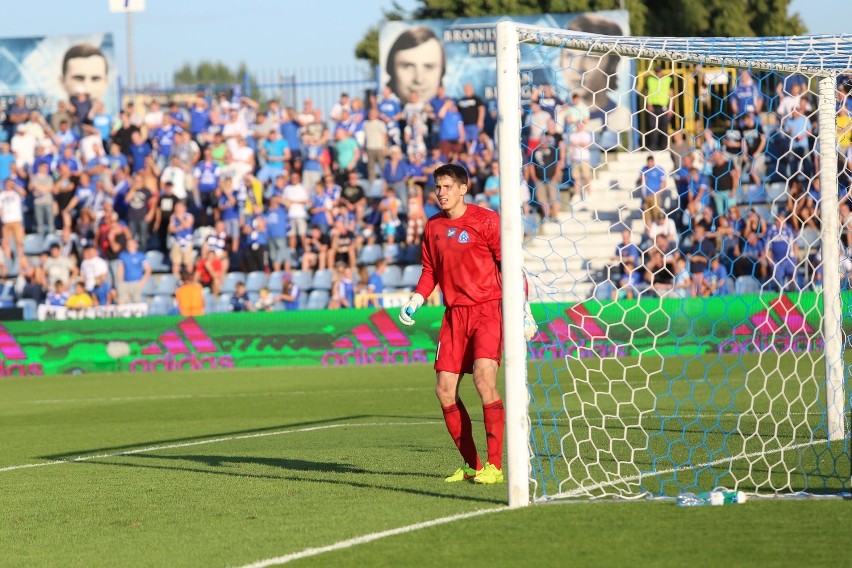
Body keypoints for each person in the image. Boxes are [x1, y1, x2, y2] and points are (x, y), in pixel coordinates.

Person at [398, 163, 536, 485]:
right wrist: (417, 298)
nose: (441, 193)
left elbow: (512, 266)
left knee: (484, 379)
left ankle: (496, 467)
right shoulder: (432, 226)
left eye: (447, 186)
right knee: (444, 390)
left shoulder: (486, 220)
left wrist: (524, 310)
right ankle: (472, 465)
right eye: (438, 187)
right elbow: (430, 270)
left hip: (488, 311)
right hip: (453, 315)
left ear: (463, 188)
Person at [385, 25, 445, 107]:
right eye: (408, 66)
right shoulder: (385, 106)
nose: (419, 79)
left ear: (442, 72)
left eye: (429, 67)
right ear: (392, 70)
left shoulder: (450, 106)